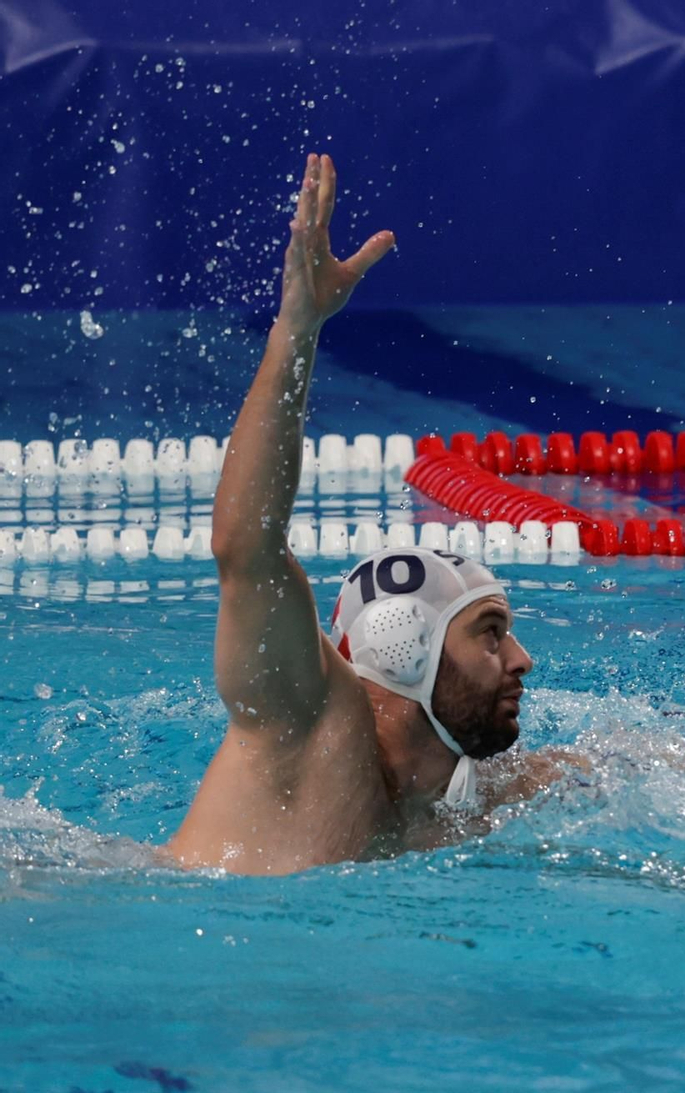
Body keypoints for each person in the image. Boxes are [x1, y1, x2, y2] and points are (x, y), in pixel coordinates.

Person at [163, 155, 566, 875]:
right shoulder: (303, 722)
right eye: (491, 634)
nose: (522, 658)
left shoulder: (472, 795)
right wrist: (298, 326)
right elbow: (245, 550)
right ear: (404, 647)